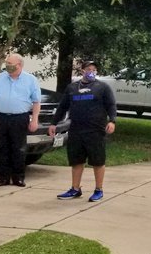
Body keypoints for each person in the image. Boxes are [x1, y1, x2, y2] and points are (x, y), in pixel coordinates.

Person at [49, 61, 116, 202]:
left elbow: (111, 105)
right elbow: (63, 107)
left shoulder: (102, 87)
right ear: (82, 71)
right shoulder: (72, 88)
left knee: (97, 161)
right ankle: (75, 188)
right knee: (76, 160)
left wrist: (112, 121)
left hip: (95, 129)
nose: (91, 71)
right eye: (88, 69)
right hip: (76, 129)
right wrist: (54, 123)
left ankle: (98, 189)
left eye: (94, 69)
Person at [0, 53, 41, 187]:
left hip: (20, 118)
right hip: (0, 117)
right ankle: (3, 177)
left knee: (19, 148)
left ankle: (18, 178)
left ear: (19, 65)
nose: (7, 66)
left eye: (10, 64)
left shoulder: (30, 80)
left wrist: (35, 120)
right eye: (7, 63)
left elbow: (36, 102)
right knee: (1, 148)